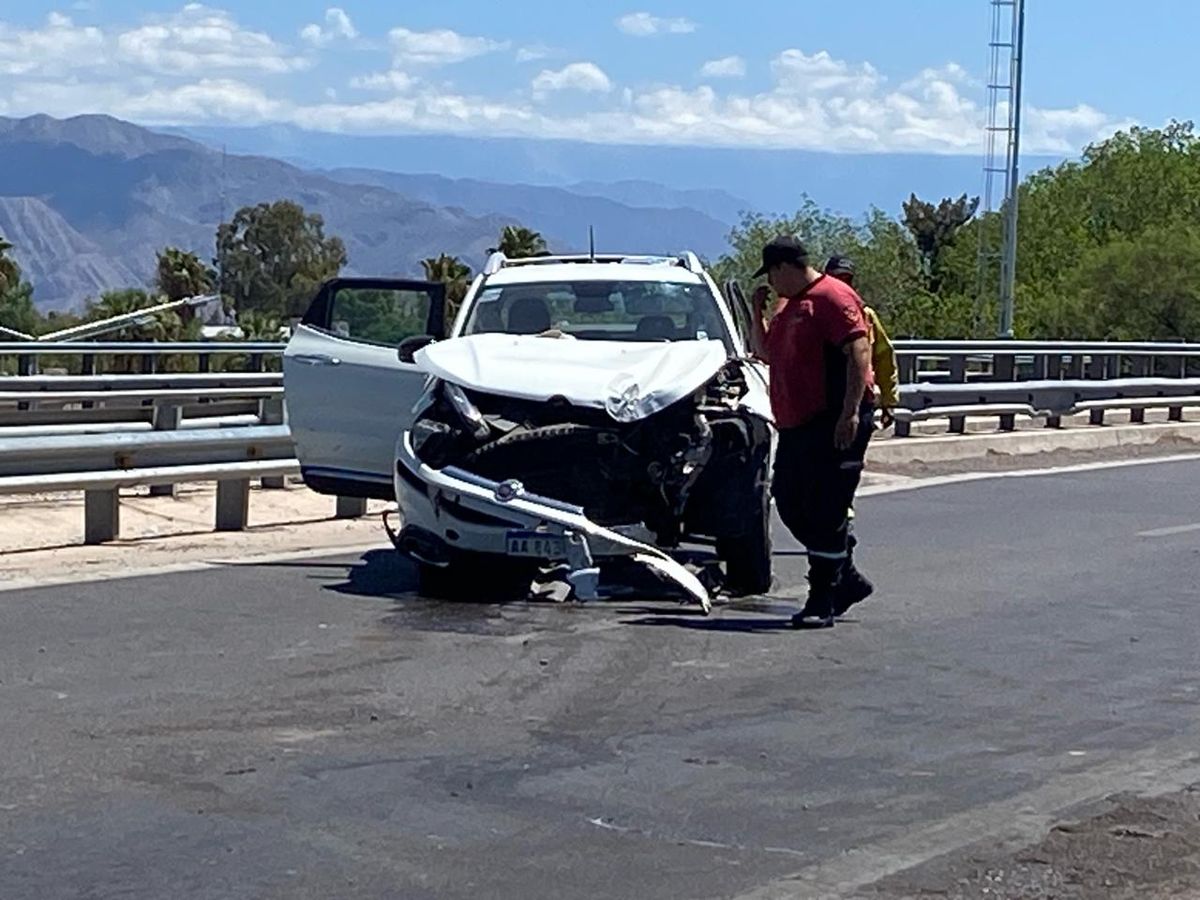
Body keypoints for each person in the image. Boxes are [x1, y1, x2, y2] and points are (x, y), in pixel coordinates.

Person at [747, 236, 876, 629]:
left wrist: (849, 413)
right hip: (798, 425)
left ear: (784, 267)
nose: (771, 283)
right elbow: (765, 352)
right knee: (788, 500)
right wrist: (757, 312)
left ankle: (822, 596)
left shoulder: (832, 297)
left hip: (833, 420)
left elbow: (859, 352)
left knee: (827, 509)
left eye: (771, 275)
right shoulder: (790, 306)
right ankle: (845, 573)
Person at [824, 256, 899, 427]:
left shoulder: (866, 315)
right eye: (836, 279)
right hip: (822, 402)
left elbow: (884, 356)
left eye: (847, 279)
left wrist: (888, 401)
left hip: (861, 400)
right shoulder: (813, 313)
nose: (842, 284)